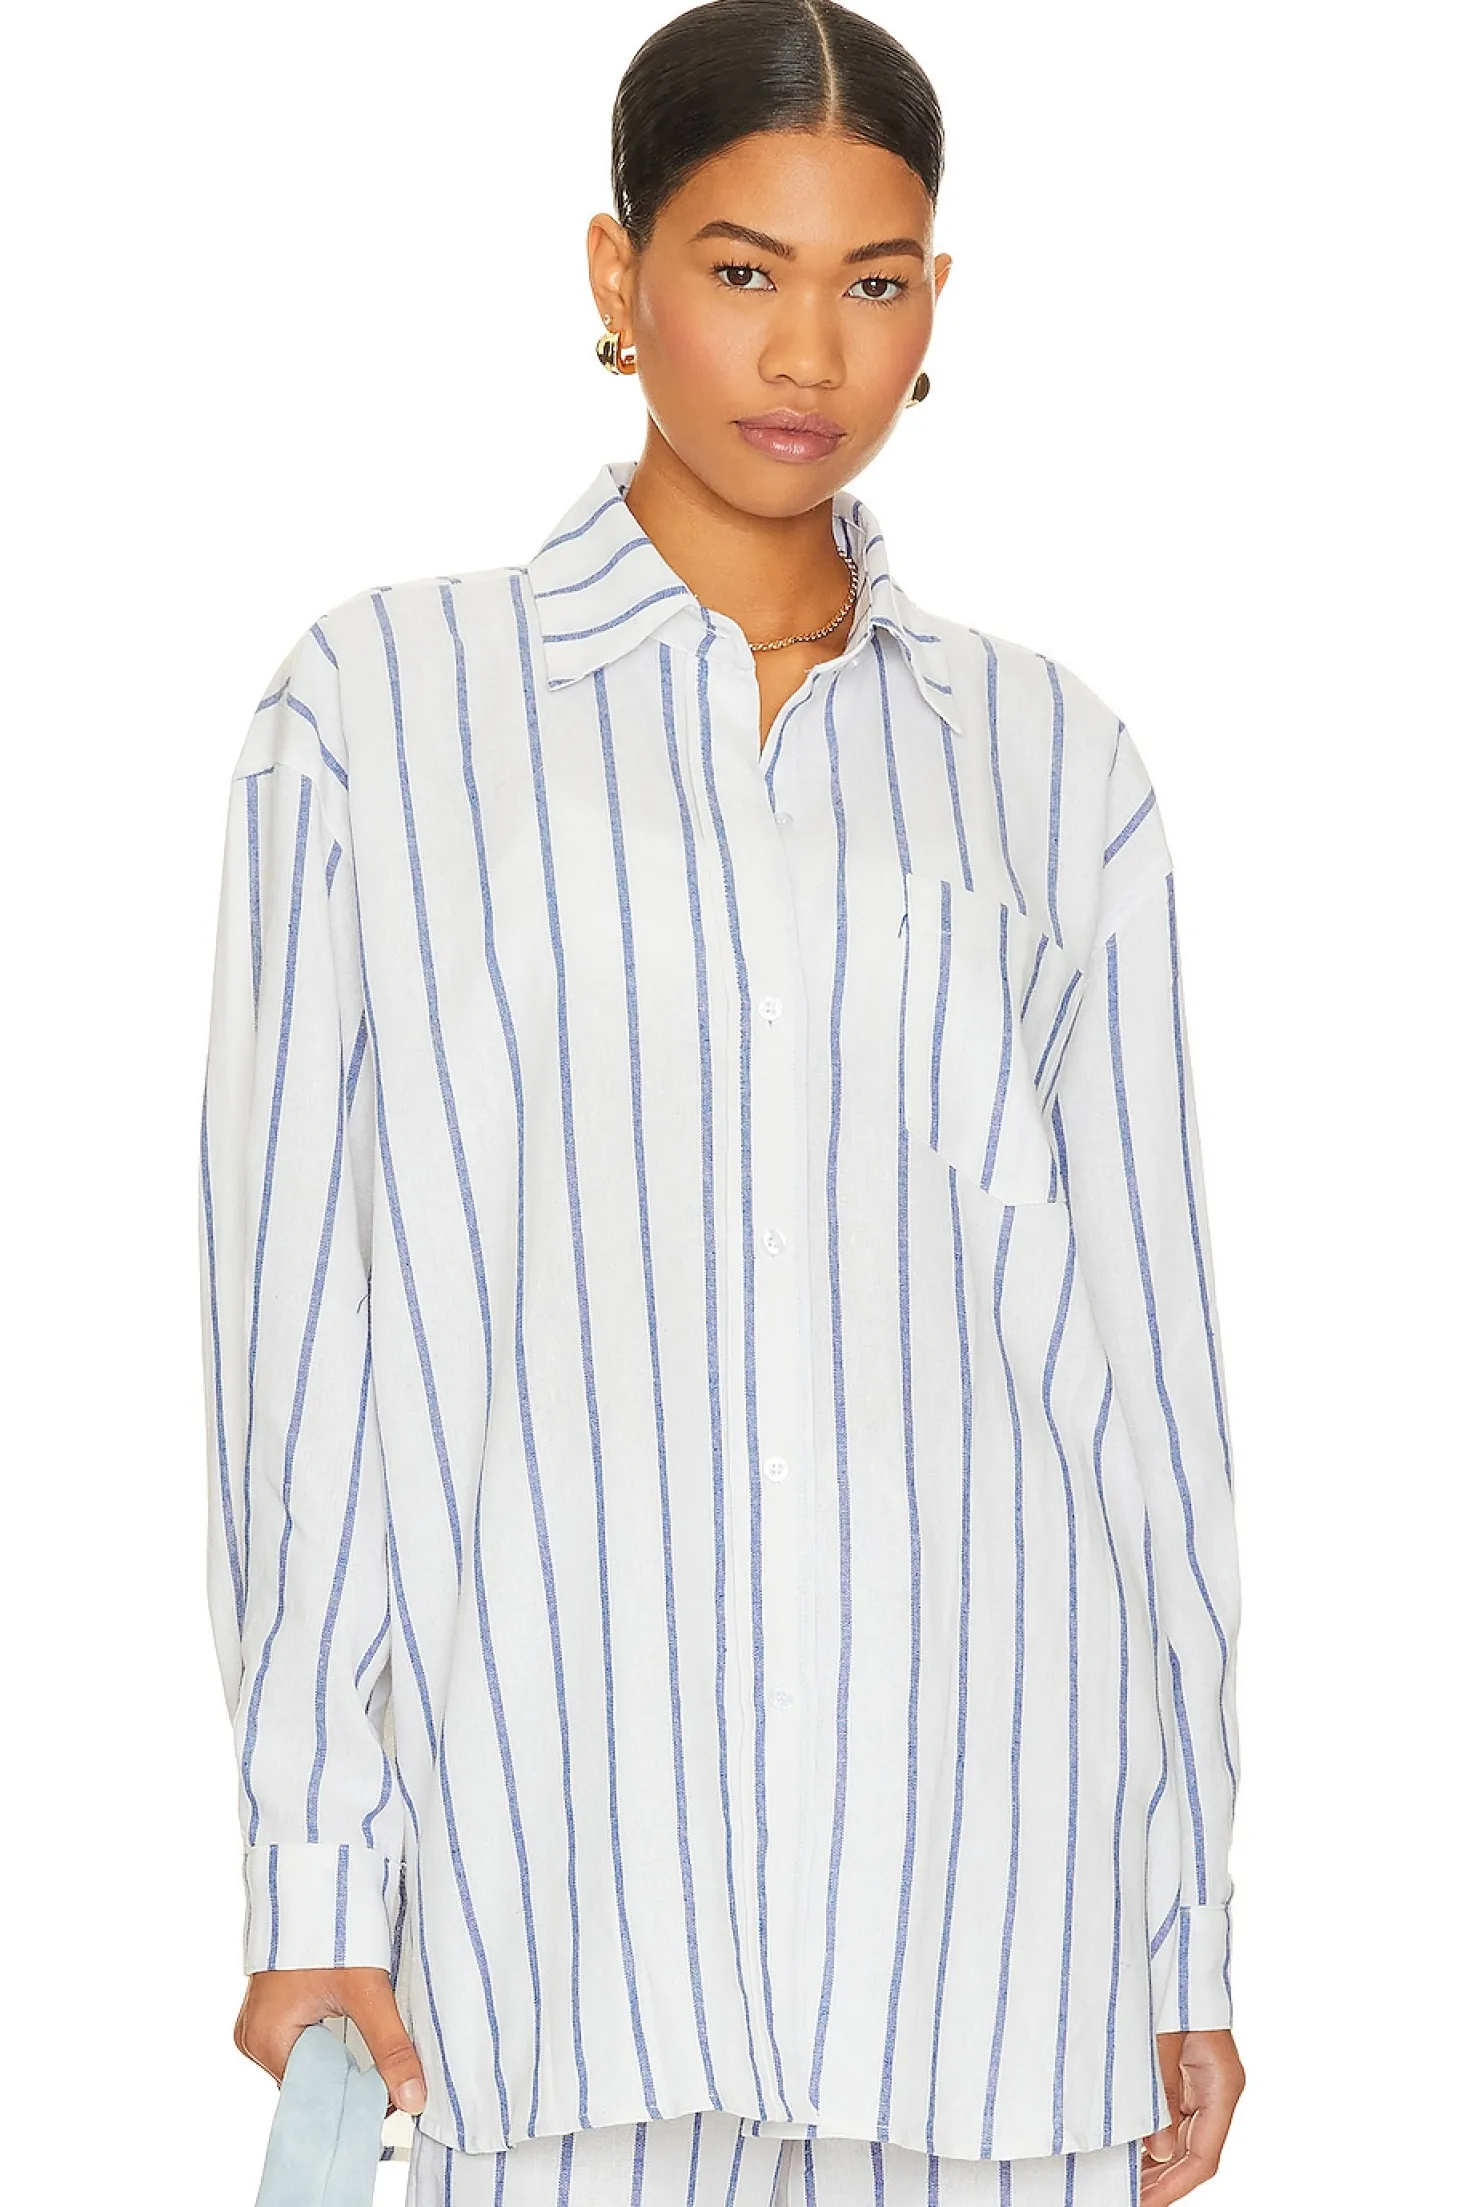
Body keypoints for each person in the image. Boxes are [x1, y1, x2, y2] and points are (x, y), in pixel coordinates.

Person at [197, 3, 1246, 2202]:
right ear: (619, 274)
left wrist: (1179, 1918)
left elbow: (1147, 1393)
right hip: (547, 1913)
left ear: (934, 307)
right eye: (742, 267)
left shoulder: (1053, 770)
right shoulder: (379, 715)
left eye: (874, 281)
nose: (806, 350)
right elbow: (298, 1343)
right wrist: (312, 1868)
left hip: (985, 1921)